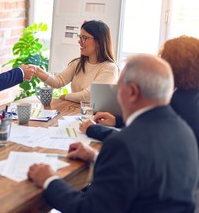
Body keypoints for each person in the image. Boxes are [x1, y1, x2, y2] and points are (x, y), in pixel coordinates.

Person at [27, 54, 199, 212]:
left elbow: (89, 210)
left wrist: (49, 180)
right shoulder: (184, 131)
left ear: (132, 92)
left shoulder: (123, 144)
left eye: (118, 87)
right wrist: (97, 157)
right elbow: (147, 170)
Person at [81, 36, 199, 144]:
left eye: (162, 58)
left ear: (173, 65)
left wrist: (94, 130)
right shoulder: (189, 95)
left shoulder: (180, 102)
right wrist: (117, 120)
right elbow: (150, 122)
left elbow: (140, 141)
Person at [32, 20, 119, 102]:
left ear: (98, 42)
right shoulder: (78, 63)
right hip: (73, 113)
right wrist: (36, 70)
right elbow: (58, 81)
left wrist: (65, 96)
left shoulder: (110, 68)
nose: (79, 41)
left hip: (93, 116)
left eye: (84, 38)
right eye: (80, 37)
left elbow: (90, 96)